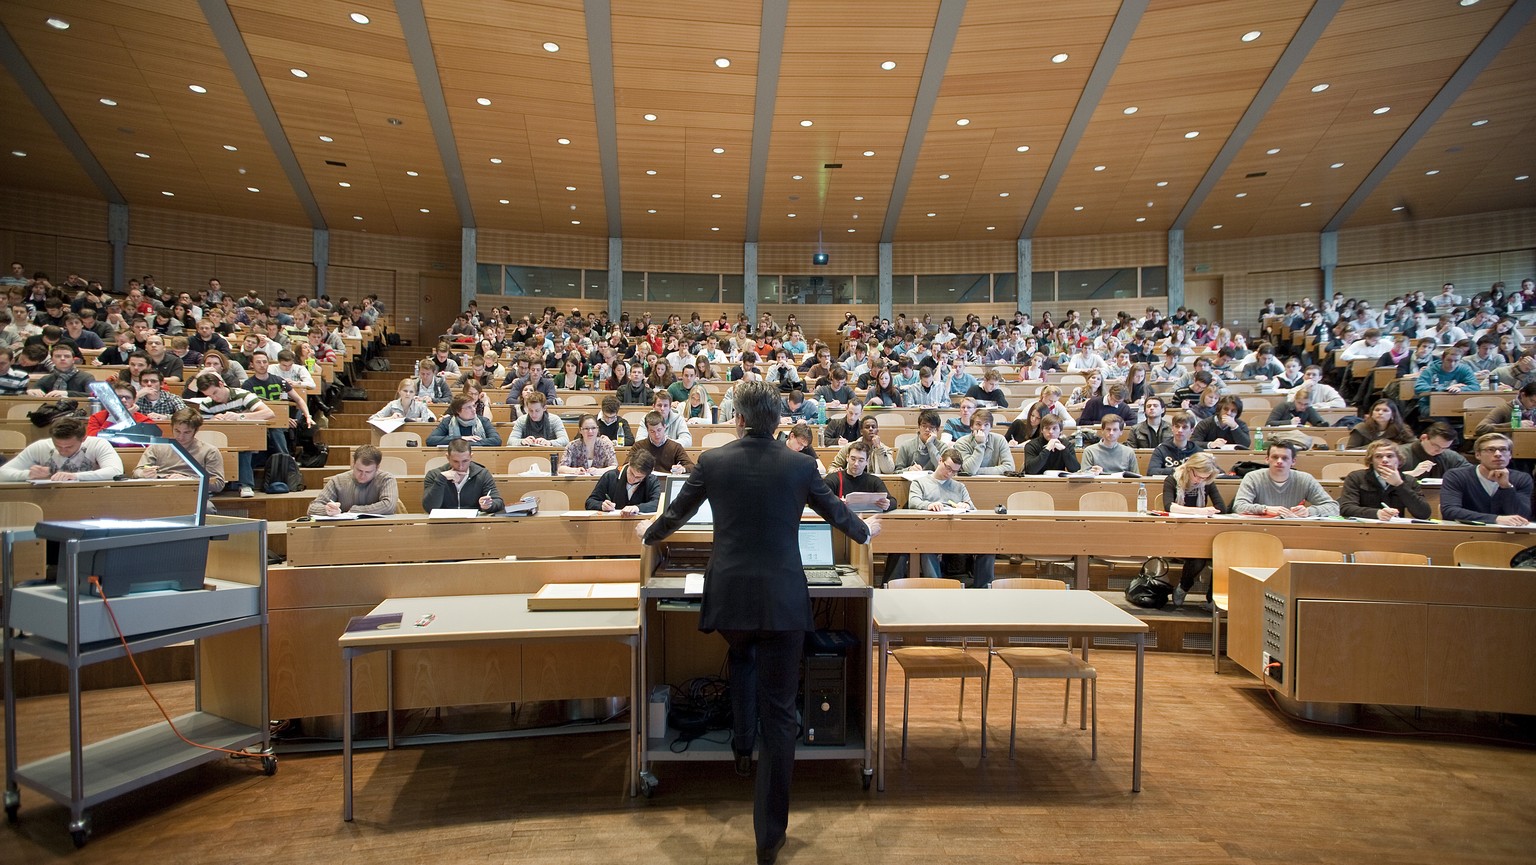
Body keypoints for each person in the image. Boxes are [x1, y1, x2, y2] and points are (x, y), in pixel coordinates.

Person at [638, 380, 879, 865]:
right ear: (776, 422)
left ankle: (741, 750)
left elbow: (676, 516)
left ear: (740, 419)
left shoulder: (713, 462)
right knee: (780, 710)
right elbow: (836, 512)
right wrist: (865, 531)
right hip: (782, 602)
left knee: (742, 656)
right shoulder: (800, 464)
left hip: (729, 600)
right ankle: (768, 837)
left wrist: (647, 535)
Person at [903, 448, 994, 587]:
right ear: (940, 460)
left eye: (954, 471)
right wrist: (929, 505)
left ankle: (982, 589)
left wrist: (965, 505)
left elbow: (972, 507)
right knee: (926, 548)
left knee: (989, 547)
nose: (949, 473)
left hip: (959, 530)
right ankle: (937, 588)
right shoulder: (920, 483)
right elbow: (913, 502)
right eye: (948, 468)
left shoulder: (959, 486)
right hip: (931, 531)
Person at [185, 370, 277, 498]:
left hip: (247, 439)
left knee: (242, 446)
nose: (214, 398)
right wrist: (212, 421)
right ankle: (211, 485)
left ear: (221, 384)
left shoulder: (243, 395)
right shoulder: (206, 404)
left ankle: (246, 484)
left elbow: (269, 414)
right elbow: (203, 428)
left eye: (215, 393)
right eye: (209, 395)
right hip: (219, 441)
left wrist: (240, 416)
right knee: (207, 450)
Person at [1162, 452, 1227, 608]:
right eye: (1198, 476)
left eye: (1204, 478)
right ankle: (1183, 588)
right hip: (1177, 532)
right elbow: (1169, 506)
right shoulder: (1172, 479)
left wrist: (1209, 512)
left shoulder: (1207, 483)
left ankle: (1212, 599)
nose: (1200, 481)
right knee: (1198, 559)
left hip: (1200, 533)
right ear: (1189, 469)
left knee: (1220, 554)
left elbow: (1222, 508)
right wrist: (1199, 511)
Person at [1439, 433, 1532, 526]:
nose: (1498, 454)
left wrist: (1506, 487)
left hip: (1508, 535)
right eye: (1491, 450)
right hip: (1468, 532)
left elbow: (1523, 516)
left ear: (1510, 455)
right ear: (1478, 455)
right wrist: (1495, 519)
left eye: (1503, 449)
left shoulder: (1522, 478)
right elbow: (1450, 511)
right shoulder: (1456, 476)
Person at [1233, 442, 1340, 517]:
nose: (1279, 461)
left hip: (1294, 528)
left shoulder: (1305, 479)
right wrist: (1265, 509)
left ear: (1293, 461)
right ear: (1267, 459)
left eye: (1285, 458)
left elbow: (1333, 507)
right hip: (1260, 528)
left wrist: (1309, 511)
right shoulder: (1252, 477)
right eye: (1275, 457)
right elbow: (1239, 506)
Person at [0, 417, 124, 482]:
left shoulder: (98, 444)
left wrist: (75, 476)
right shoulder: (40, 446)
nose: (63, 451)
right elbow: (2, 473)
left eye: (69, 446)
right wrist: (28, 474)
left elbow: (115, 471)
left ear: (83, 439)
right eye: (58, 446)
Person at [134, 407, 226, 495]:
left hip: (192, 493)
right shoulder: (157, 447)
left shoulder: (209, 451)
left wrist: (189, 480)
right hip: (160, 492)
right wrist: (143, 473)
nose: (181, 437)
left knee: (207, 509)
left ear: (196, 430)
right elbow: (137, 472)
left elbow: (218, 484)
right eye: (177, 431)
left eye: (187, 432)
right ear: (172, 427)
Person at [1339, 440, 1431, 521]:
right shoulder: (1356, 477)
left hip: (1396, 530)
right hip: (1364, 529)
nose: (1384, 460)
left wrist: (1399, 484)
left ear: (1398, 459)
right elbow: (1346, 508)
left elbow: (1423, 513)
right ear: (1371, 460)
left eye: (1390, 456)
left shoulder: (1409, 481)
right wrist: (1376, 513)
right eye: (1378, 456)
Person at [306, 445, 399, 517]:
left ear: (377, 468)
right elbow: (312, 508)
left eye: (368, 472)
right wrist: (327, 510)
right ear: (353, 464)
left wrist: (355, 511)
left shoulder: (386, 479)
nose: (363, 475)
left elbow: (388, 506)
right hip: (344, 532)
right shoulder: (338, 481)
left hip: (379, 530)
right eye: (359, 470)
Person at [421, 439, 504, 513]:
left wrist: (489, 505)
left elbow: (498, 502)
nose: (460, 466)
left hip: (474, 524)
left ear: (471, 457)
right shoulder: (434, 475)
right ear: (448, 457)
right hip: (442, 525)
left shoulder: (482, 474)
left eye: (465, 461)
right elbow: (429, 508)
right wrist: (441, 480)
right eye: (456, 461)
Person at [823, 440, 895, 511]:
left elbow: (893, 501)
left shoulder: (874, 481)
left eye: (861, 460)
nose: (856, 464)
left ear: (867, 461)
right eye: (853, 459)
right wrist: (834, 504)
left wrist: (887, 504)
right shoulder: (833, 479)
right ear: (847, 458)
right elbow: (819, 500)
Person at [586, 450, 661, 514]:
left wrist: (638, 508)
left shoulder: (651, 480)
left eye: (639, 477)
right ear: (629, 464)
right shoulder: (610, 476)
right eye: (631, 473)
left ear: (647, 475)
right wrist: (601, 505)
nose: (633, 479)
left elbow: (658, 503)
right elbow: (590, 502)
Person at [1398, 423, 1470, 480]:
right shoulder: (1400, 453)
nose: (1439, 450)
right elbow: (1387, 479)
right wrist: (1412, 473)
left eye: (1444, 448)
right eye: (1436, 445)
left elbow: (1470, 474)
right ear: (1424, 438)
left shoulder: (1450, 456)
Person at [954, 408, 1014, 476]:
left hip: (993, 483)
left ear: (991, 427)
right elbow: (970, 469)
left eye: (986, 425)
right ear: (971, 427)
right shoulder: (961, 443)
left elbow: (1010, 467)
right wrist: (980, 444)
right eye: (978, 424)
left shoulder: (1000, 440)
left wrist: (978, 471)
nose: (982, 428)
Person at [426, 396, 502, 447]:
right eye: (469, 407)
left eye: (473, 405)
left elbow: (496, 440)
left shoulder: (483, 421)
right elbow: (430, 440)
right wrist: (460, 438)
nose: (473, 409)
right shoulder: (447, 422)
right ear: (458, 411)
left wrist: (464, 443)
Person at [1149, 411, 1205, 476]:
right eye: (1177, 426)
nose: (1180, 430)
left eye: (1184, 427)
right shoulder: (1161, 449)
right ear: (1172, 428)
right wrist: (1176, 470)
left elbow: (1215, 471)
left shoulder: (1198, 451)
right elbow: (1151, 471)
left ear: (1192, 430)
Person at [1345, 399, 1415, 449]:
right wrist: (1375, 447)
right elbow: (1350, 450)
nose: (1380, 413)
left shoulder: (1401, 428)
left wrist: (1394, 447)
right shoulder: (1361, 428)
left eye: (1385, 410)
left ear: (1393, 414)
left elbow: (1414, 445)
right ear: (1372, 413)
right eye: (1377, 410)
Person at [371, 378, 437, 423]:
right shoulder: (392, 405)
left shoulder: (420, 405)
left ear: (415, 393)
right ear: (399, 391)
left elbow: (432, 419)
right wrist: (390, 418)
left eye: (411, 392)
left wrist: (415, 420)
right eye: (405, 391)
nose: (408, 394)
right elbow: (372, 419)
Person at [1265, 385, 1330, 427]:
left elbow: (1319, 424)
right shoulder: (1283, 406)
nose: (1302, 407)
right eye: (1299, 403)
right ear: (1295, 400)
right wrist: (1289, 422)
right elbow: (1269, 423)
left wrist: (1321, 424)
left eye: (1306, 404)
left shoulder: (1308, 409)